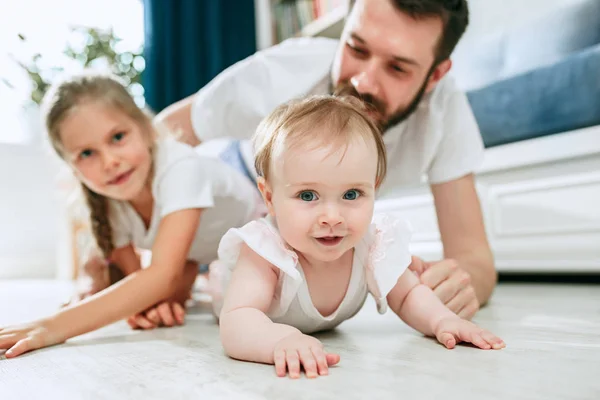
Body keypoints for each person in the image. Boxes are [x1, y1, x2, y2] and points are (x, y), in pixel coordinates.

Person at [156, 0, 496, 320]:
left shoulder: (444, 110)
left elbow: (474, 258)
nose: (363, 82)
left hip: (309, 229)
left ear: (435, 76)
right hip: (231, 179)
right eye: (356, 48)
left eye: (397, 68)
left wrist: (463, 285)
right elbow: (161, 135)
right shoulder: (280, 72)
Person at [211, 95, 505, 379]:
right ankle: (208, 278)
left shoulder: (372, 244)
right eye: (308, 195)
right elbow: (236, 320)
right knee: (218, 283)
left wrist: (443, 319)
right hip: (232, 288)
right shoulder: (266, 251)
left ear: (374, 189)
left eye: (351, 194)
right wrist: (278, 340)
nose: (332, 216)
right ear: (270, 198)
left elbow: (408, 294)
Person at [0, 71, 262, 358]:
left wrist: (49, 327)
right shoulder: (110, 204)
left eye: (118, 137)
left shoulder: (181, 167)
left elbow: (161, 275)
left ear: (146, 128)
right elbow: (144, 284)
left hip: (254, 212)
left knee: (242, 295)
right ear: (71, 167)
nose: (110, 161)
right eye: (87, 154)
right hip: (196, 249)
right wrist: (152, 305)